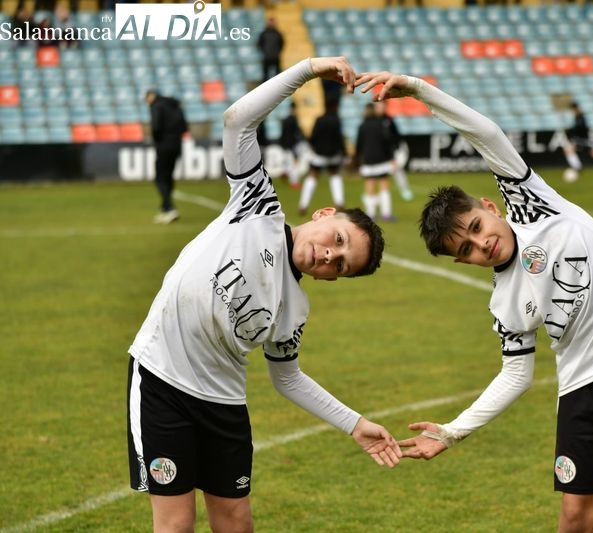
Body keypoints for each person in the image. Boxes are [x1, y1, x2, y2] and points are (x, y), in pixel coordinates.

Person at [355, 71, 593, 533]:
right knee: (575, 518)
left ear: (489, 206)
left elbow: (486, 134)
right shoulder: (504, 303)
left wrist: (418, 91)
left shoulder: (534, 204)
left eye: (476, 228)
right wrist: (454, 431)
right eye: (466, 250)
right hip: (583, 390)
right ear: (462, 263)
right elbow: (516, 374)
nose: (481, 245)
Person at [128, 57, 401, 533]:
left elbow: (288, 378)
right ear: (323, 214)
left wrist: (355, 424)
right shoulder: (257, 205)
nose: (330, 256)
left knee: (237, 523)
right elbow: (238, 120)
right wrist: (309, 70)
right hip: (162, 382)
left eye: (341, 265)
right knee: (175, 525)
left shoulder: (294, 311)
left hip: (225, 404)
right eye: (338, 240)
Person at [145, 89, 188, 224]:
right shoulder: (175, 106)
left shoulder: (156, 106)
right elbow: (184, 127)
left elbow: (156, 127)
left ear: (151, 97)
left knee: (160, 178)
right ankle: (164, 209)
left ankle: (170, 208)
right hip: (177, 145)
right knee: (168, 176)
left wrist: (158, 140)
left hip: (164, 145)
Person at [298, 97, 347, 215]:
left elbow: (312, 137)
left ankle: (303, 205)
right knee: (335, 176)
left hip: (319, 154)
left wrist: (315, 148)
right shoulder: (336, 120)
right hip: (333, 155)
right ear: (335, 107)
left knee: (312, 177)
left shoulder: (319, 120)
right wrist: (344, 153)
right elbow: (339, 139)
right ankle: (339, 203)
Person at [355, 103, 396, 221]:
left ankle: (370, 214)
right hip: (382, 160)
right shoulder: (381, 124)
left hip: (368, 161)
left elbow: (359, 146)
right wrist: (391, 158)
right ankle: (386, 214)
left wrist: (357, 162)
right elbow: (387, 143)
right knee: (384, 185)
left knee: (369, 186)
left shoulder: (362, 126)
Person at [374, 100, 414, 201]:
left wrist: (394, 153)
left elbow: (396, 137)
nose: (380, 108)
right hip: (380, 151)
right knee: (380, 173)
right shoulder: (373, 121)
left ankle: (404, 190)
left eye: (382, 106)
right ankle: (379, 195)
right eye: (378, 106)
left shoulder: (389, 120)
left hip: (393, 151)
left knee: (396, 170)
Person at [563, 101, 593, 180]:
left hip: (583, 141)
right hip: (581, 141)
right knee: (570, 150)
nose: (573, 111)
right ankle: (578, 168)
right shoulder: (577, 118)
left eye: (574, 109)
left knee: (570, 150)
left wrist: (570, 131)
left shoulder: (581, 118)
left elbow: (580, 129)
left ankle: (579, 168)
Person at [278, 100, 307, 189]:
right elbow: (296, 134)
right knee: (294, 164)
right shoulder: (294, 120)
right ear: (294, 109)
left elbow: (283, 134)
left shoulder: (286, 120)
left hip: (286, 145)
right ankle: (294, 182)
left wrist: (282, 144)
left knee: (289, 162)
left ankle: (285, 172)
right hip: (293, 145)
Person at [257, 17, 284, 82]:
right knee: (265, 76)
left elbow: (281, 44)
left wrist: (277, 52)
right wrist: (265, 52)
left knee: (278, 76)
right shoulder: (263, 34)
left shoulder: (278, 34)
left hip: (276, 57)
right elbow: (260, 44)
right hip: (266, 57)